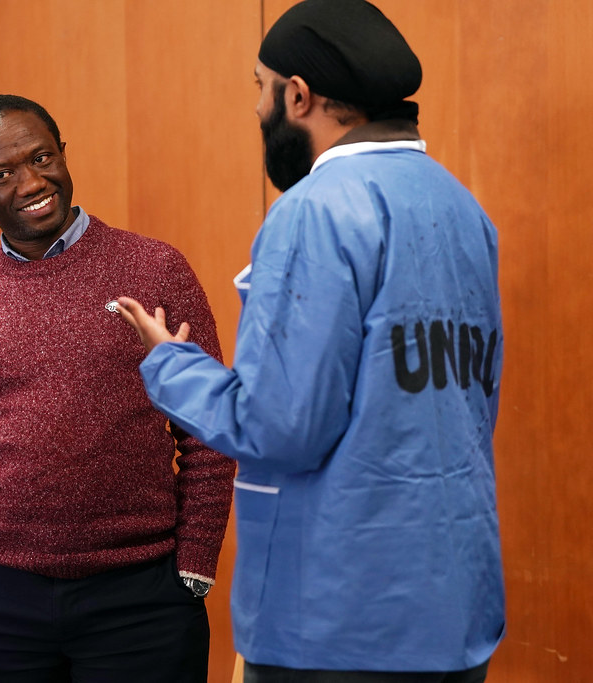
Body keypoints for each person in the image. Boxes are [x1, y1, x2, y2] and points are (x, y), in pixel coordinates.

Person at [116, 1, 505, 681]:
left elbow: (281, 425)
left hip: (338, 620)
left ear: (297, 94)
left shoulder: (314, 211)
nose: (258, 110)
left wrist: (168, 363)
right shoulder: (461, 207)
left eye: (259, 89)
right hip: (454, 610)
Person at [0, 94, 235, 682]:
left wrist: (194, 564)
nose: (30, 182)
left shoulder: (155, 270)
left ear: (64, 154)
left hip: (140, 596)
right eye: (1, 174)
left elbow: (209, 426)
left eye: (42, 157)